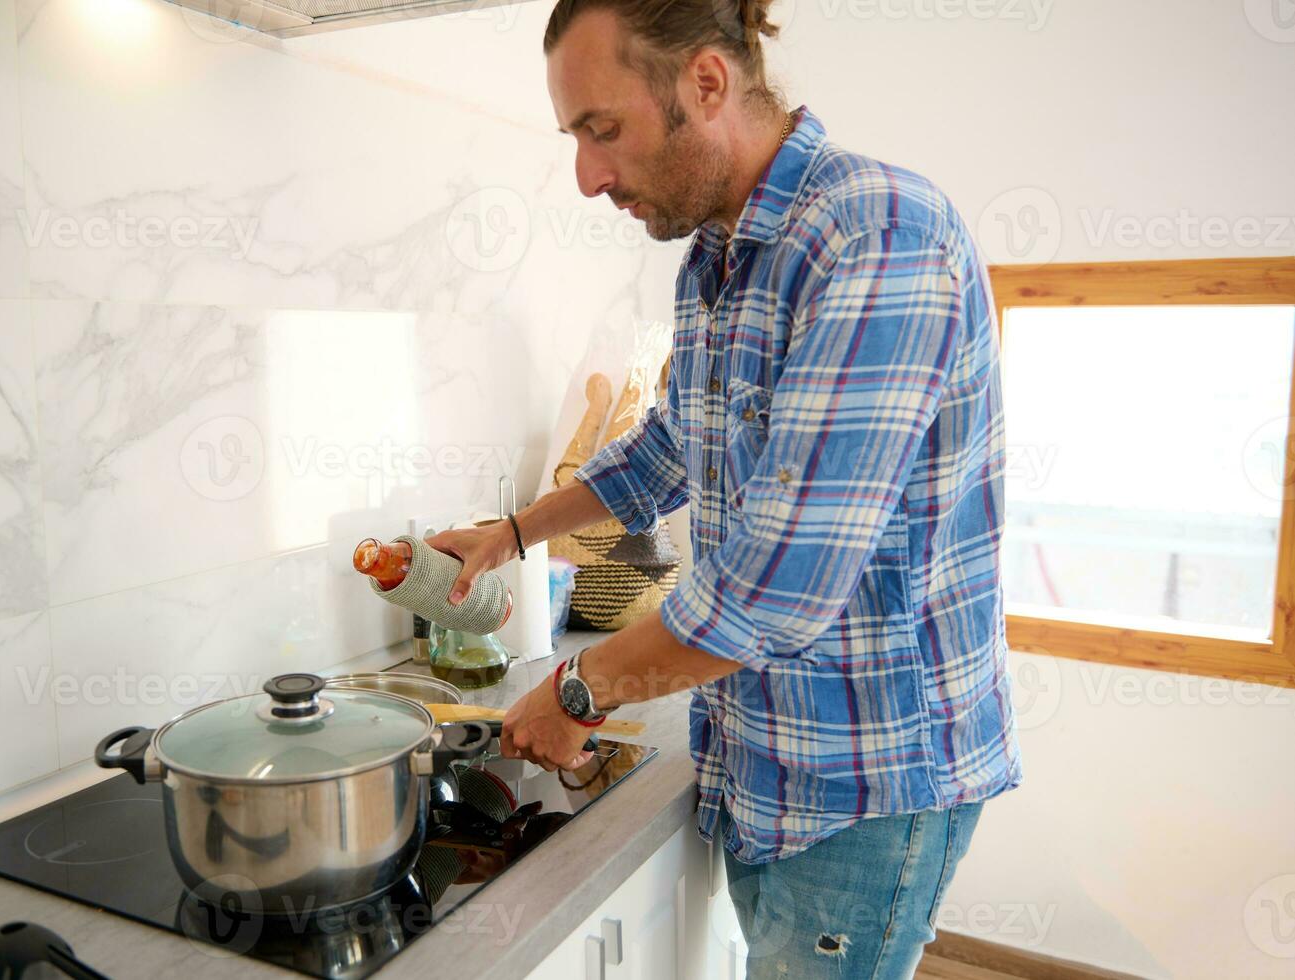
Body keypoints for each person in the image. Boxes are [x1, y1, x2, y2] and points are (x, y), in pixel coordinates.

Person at [425, 0, 1022, 974]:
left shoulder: (879, 235)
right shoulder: (716, 258)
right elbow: (671, 447)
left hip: (865, 783)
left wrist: (578, 689)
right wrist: (512, 531)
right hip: (761, 754)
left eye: (600, 129)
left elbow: (778, 586)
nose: (586, 176)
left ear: (705, 83)